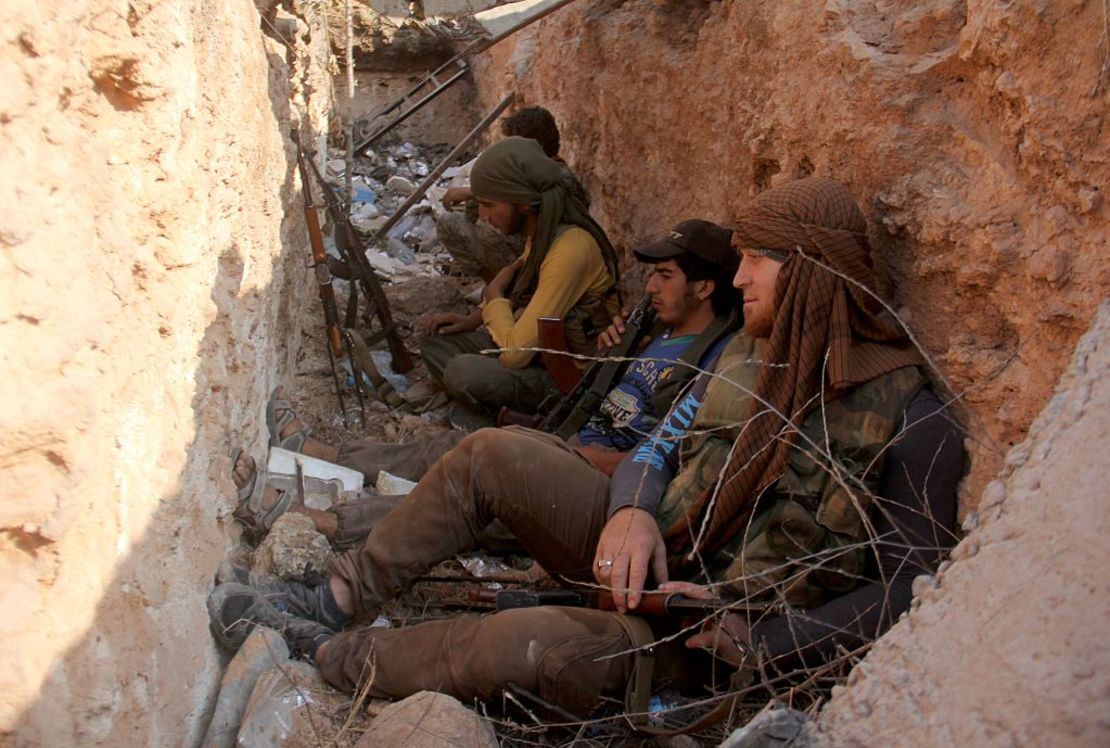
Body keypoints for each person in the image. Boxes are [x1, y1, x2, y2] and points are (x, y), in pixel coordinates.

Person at [209, 178, 964, 726]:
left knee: (527, 645)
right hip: (649, 548)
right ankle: (334, 599)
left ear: (807, 270)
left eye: (756, 262)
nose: (738, 279)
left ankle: (320, 655)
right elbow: (661, 444)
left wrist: (763, 639)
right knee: (489, 454)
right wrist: (633, 511)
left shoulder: (913, 416)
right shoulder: (746, 353)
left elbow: (910, 583)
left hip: (705, 637)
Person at [237, 220, 742, 547]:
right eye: (652, 275)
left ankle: (323, 522)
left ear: (703, 286)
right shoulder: (653, 331)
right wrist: (607, 357)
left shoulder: (713, 362)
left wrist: (569, 456)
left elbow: (667, 459)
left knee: (470, 493)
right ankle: (322, 453)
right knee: (455, 445)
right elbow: (596, 398)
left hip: (604, 482)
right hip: (573, 446)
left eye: (666, 276)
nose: (650, 286)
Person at [419, 136, 622, 424]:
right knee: (436, 344)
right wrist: (472, 321)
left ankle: (524, 421)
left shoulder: (571, 248)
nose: (484, 216)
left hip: (570, 377)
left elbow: (515, 355)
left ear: (524, 203)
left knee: (462, 373)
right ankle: (495, 409)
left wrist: (495, 296)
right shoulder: (539, 234)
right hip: (536, 354)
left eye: (489, 205)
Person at [434, 106, 588, 282]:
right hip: (526, 247)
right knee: (450, 223)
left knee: (488, 228)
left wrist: (473, 193)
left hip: (545, 254)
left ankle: (511, 289)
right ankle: (495, 286)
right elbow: (473, 214)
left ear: (535, 145)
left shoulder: (557, 177)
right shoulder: (526, 172)